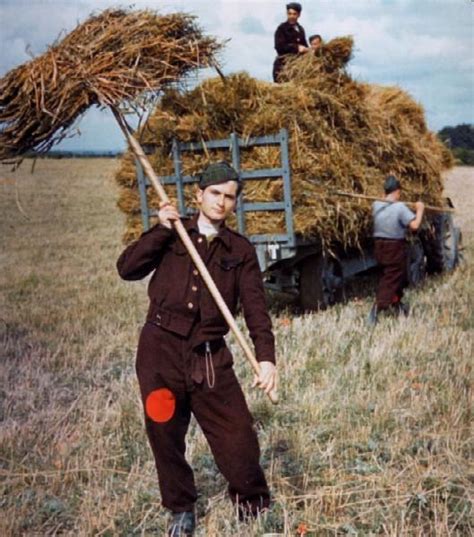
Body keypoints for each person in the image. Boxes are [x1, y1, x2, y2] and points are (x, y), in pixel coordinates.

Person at [116, 161, 277, 536]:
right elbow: (127, 269)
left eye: (229, 197)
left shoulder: (239, 249)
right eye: (215, 193)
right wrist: (160, 228)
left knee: (237, 436)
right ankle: (181, 507)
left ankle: (252, 502)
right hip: (159, 354)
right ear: (199, 195)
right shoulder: (172, 234)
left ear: (235, 204)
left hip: (209, 357)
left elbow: (256, 309)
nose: (221, 202)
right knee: (164, 431)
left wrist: (266, 358)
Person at [369, 175, 425, 325]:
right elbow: (414, 226)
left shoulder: (376, 205)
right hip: (393, 247)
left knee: (398, 277)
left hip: (379, 246)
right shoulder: (400, 207)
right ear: (398, 191)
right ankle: (377, 308)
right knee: (392, 278)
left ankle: (397, 304)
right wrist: (420, 210)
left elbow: (384, 200)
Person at [273, 2, 309, 82]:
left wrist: (308, 50)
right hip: (283, 67)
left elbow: (304, 45)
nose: (291, 16)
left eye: (294, 14)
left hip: (297, 67)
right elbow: (279, 47)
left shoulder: (300, 29)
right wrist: (296, 47)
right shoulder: (281, 29)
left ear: (299, 15)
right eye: (289, 14)